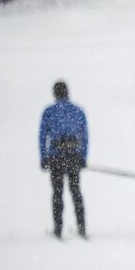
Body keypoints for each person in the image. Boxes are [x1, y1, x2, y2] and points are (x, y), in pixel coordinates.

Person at [39, 81, 88, 240]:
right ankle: (81, 227)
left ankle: (58, 228)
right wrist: (83, 157)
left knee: (57, 193)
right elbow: (84, 136)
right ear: (67, 92)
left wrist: (44, 157)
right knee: (75, 191)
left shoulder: (49, 112)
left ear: (55, 94)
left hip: (56, 157)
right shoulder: (78, 111)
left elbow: (43, 136)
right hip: (73, 156)